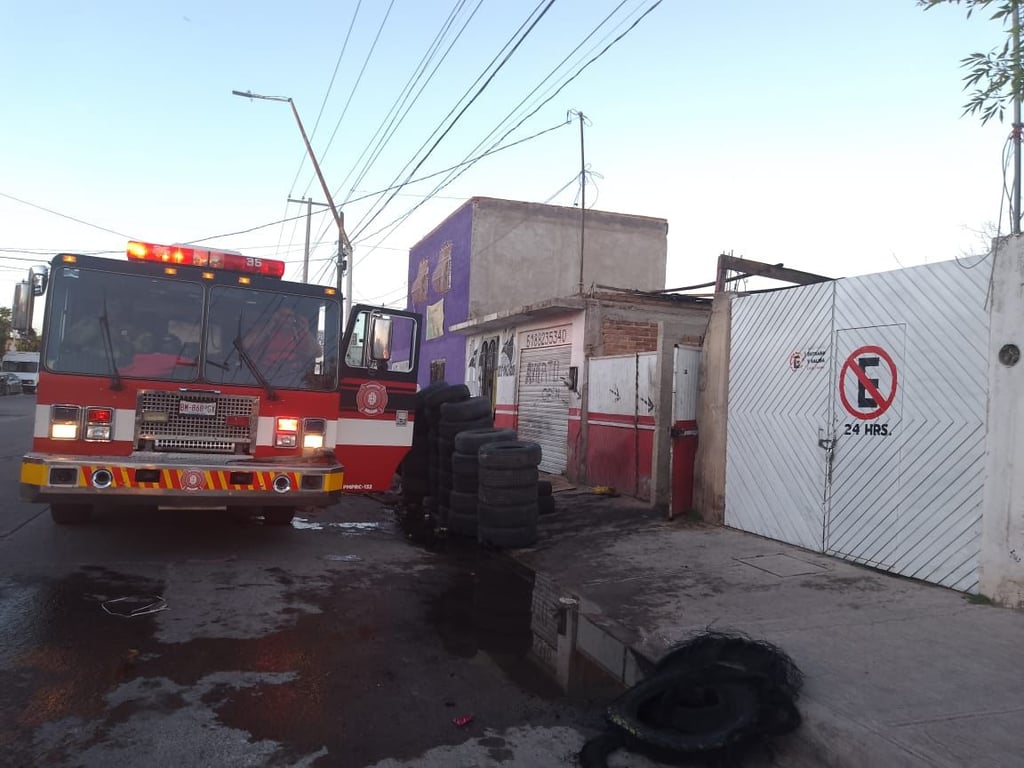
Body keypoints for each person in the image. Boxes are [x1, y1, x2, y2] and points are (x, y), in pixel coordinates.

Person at [242, 305, 322, 386]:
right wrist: (270, 325)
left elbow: (318, 354)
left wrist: (306, 330)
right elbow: (246, 345)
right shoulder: (264, 331)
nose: (287, 320)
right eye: (283, 316)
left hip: (292, 379)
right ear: (276, 317)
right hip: (262, 377)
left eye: (290, 316)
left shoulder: (297, 334)